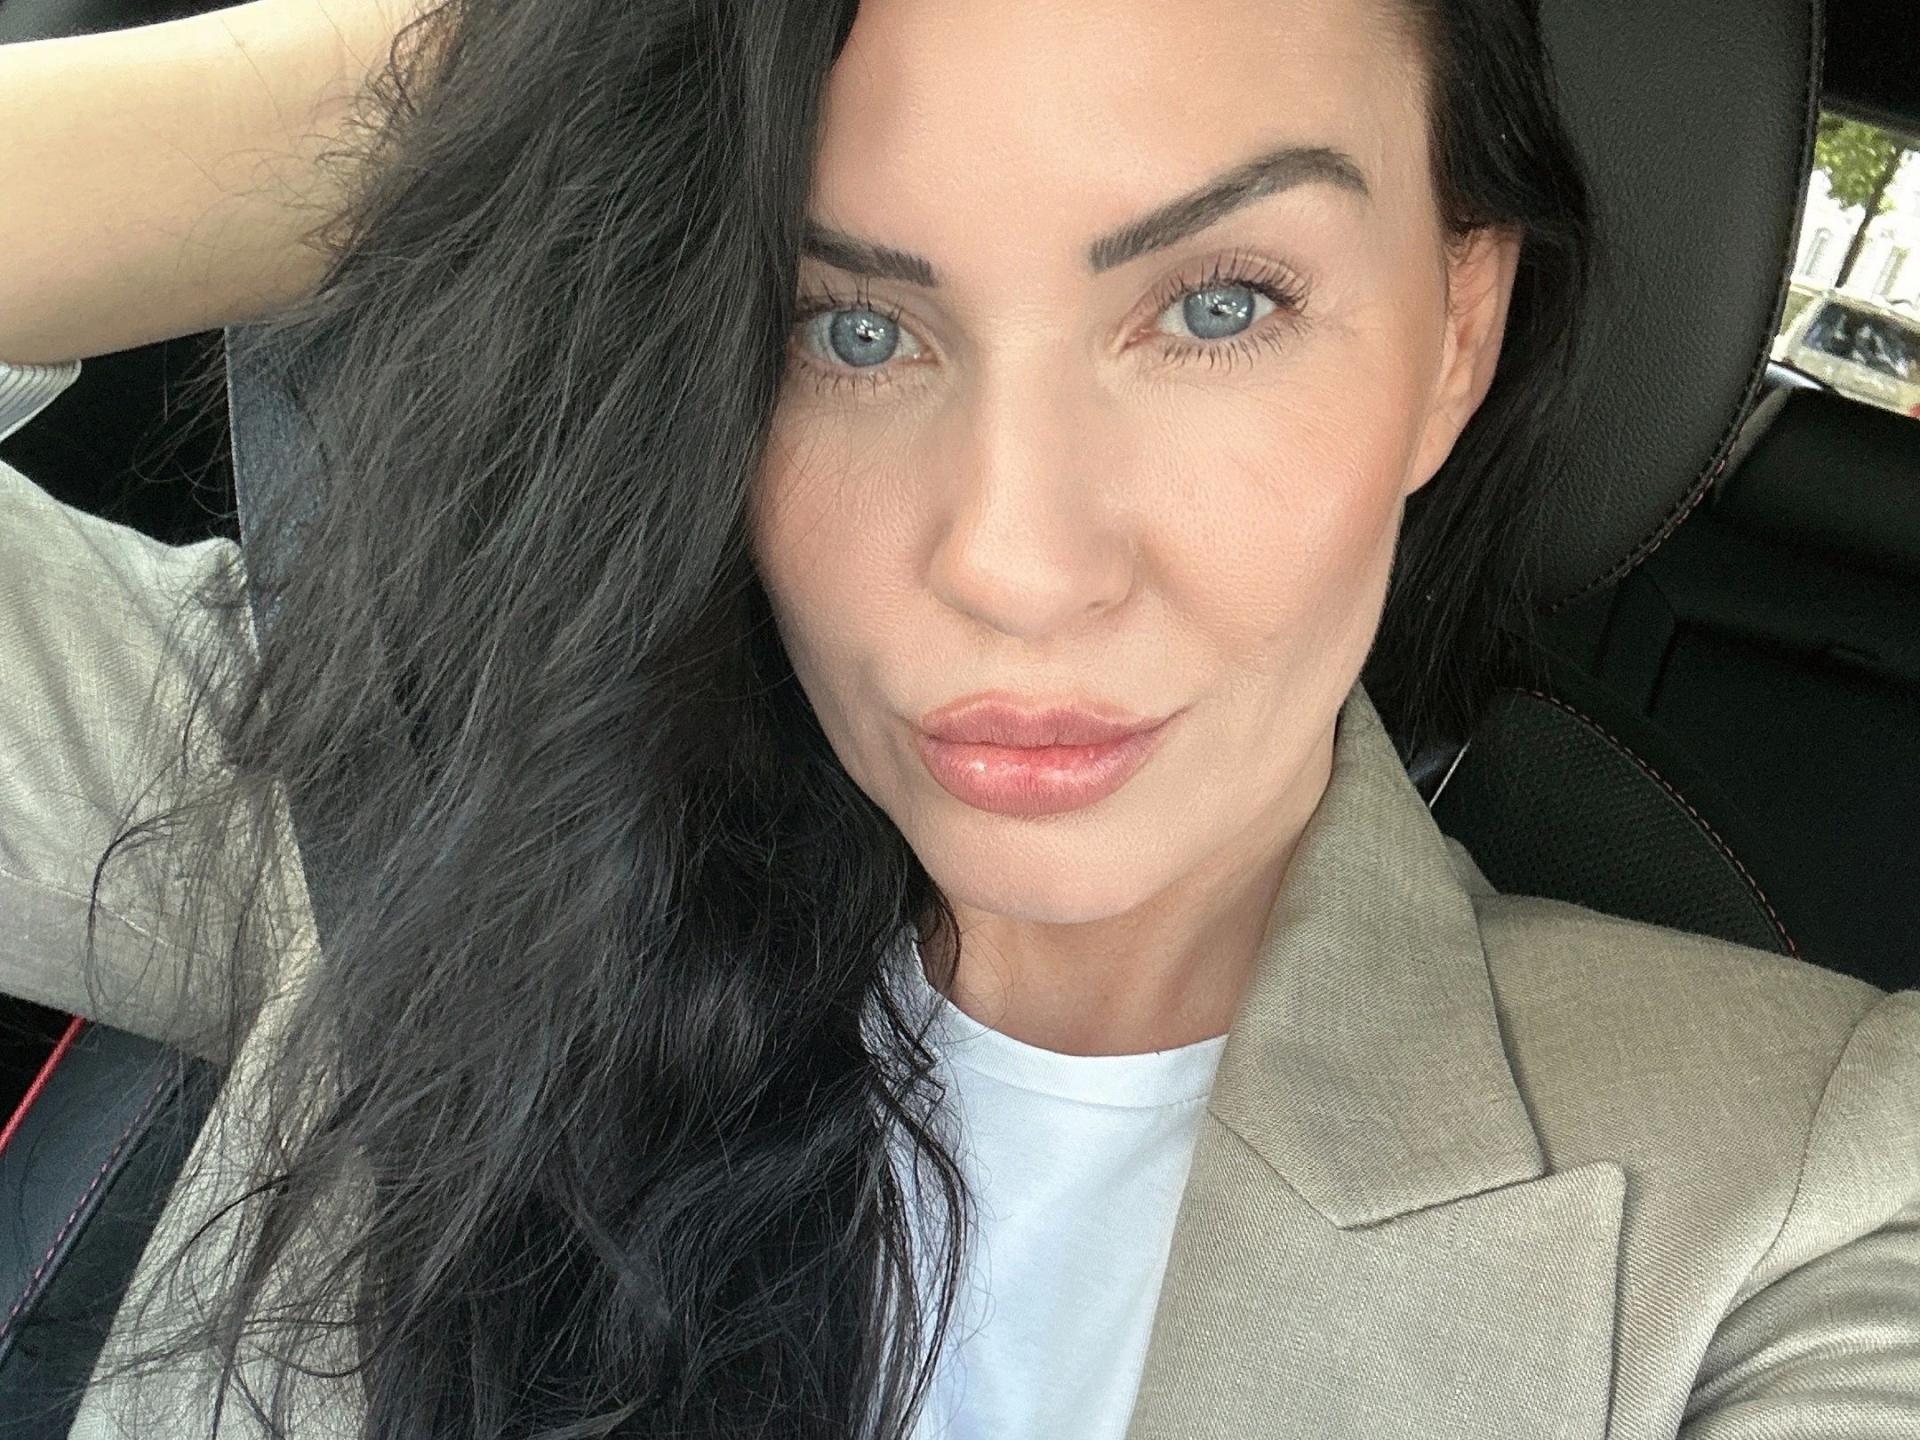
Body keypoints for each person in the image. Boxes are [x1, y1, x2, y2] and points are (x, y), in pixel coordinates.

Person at [0, 0, 1914, 1436]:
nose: (1012, 561)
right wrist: (542, 66)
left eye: (1221, 306)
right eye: (849, 326)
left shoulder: (1806, 1203)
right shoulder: (412, 806)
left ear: (1455, 339)